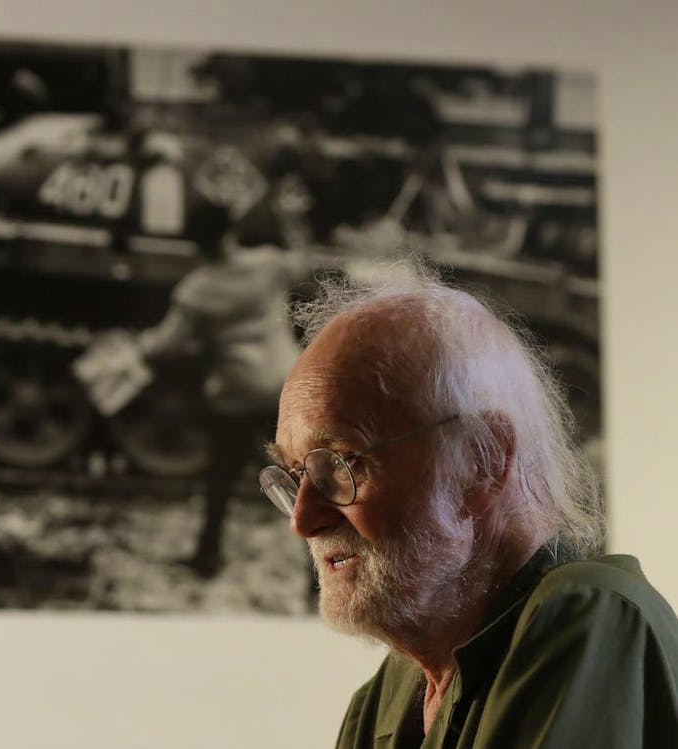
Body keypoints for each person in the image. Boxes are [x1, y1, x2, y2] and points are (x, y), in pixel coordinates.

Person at [259, 259, 678, 746]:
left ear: (481, 461)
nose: (303, 520)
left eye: (341, 465)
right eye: (295, 476)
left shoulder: (589, 616)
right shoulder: (387, 695)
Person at [138, 226, 306, 578]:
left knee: (220, 479)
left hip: (238, 393)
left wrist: (139, 344)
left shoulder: (198, 288)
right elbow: (302, 265)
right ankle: (318, 571)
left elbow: (165, 346)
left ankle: (208, 556)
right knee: (301, 479)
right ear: (231, 232)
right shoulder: (269, 264)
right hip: (284, 383)